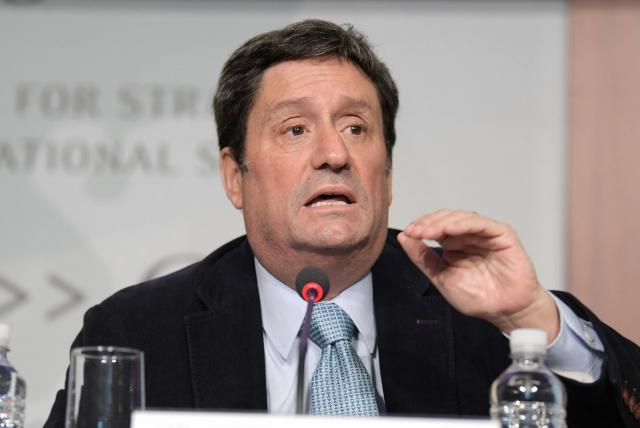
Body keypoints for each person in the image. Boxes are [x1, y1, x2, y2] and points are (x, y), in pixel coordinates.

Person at [44, 19, 640, 427]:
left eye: (357, 128)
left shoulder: (481, 315)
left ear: (387, 170)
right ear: (234, 176)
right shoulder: (138, 332)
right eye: (295, 129)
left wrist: (532, 319)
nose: (334, 153)